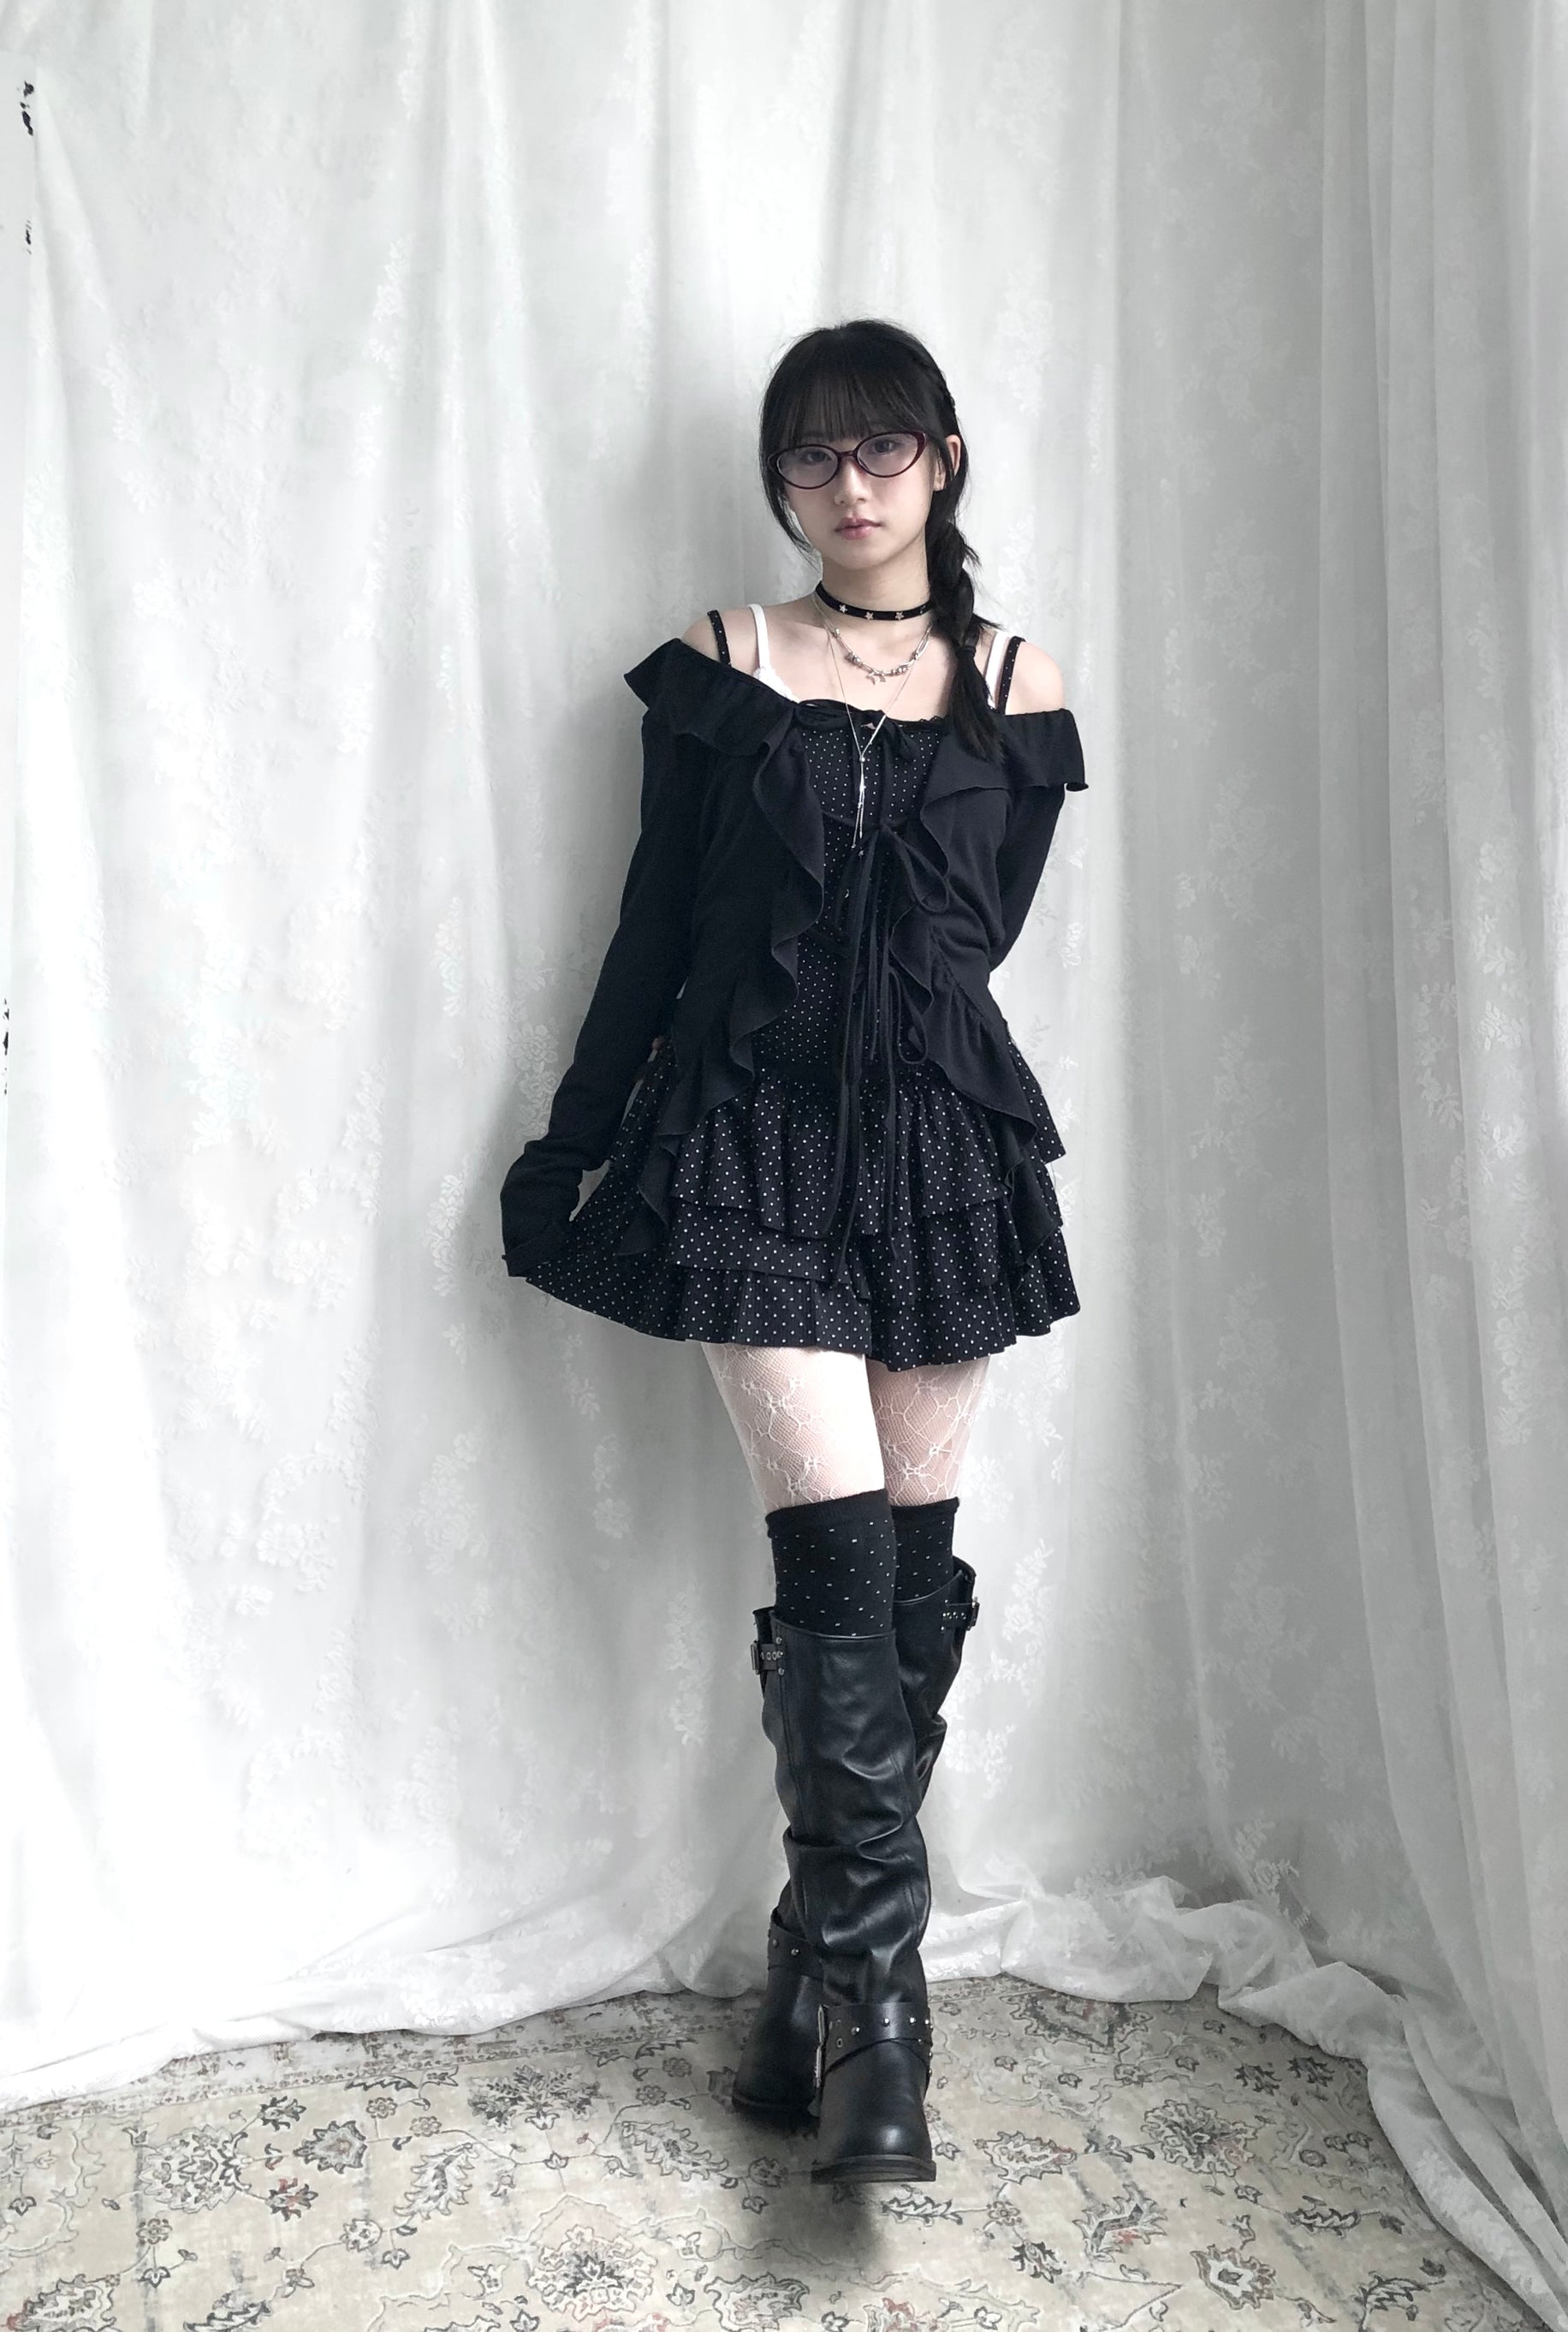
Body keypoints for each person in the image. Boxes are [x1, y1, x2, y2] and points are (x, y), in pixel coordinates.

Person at [499, 318, 1087, 2185]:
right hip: (745, 1141)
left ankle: (805, 1986)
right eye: (810, 458)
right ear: (781, 483)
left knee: (907, 1587)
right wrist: (574, 1143)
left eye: (880, 449)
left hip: (939, 1153)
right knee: (832, 1564)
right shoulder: (722, 665)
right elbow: (653, 928)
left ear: (945, 459)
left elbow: (974, 943)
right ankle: (881, 2040)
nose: (847, 486)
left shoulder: (1018, 683)